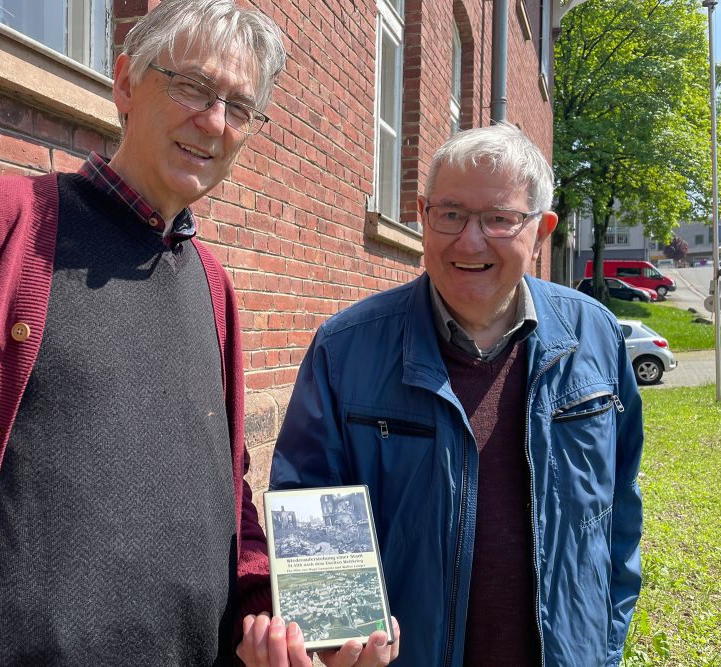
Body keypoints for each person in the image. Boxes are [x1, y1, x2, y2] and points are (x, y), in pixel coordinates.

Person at [0, 1, 291, 664]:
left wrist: (260, 607)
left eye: (240, 107)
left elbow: (226, 489)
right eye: (193, 87)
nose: (213, 121)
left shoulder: (215, 289)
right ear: (124, 82)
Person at [270, 123, 644, 666]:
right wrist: (338, 645)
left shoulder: (597, 338)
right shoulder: (346, 350)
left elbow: (618, 518)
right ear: (422, 217)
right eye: (450, 214)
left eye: (499, 218)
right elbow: (308, 506)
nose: (471, 241)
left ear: (541, 229)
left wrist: (604, 649)